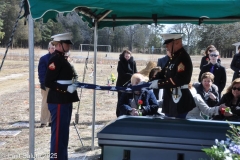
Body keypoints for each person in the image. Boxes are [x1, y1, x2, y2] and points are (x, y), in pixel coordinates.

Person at [45, 33, 79, 160]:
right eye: (67, 43)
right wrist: (66, 88)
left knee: (63, 134)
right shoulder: (55, 59)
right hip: (58, 100)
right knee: (59, 134)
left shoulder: (62, 59)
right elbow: (48, 82)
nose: (69, 45)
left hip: (65, 100)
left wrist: (73, 84)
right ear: (59, 45)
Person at [148, 33, 195, 118]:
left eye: (168, 44)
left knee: (176, 128)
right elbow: (164, 73)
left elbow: (178, 80)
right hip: (171, 99)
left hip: (179, 100)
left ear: (176, 43)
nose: (166, 47)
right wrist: (151, 81)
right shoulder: (174, 57)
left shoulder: (183, 58)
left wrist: (159, 84)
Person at [38, 41, 55, 128]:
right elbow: (41, 72)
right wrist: (42, 82)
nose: (54, 49)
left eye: (55, 48)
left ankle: (51, 121)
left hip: (55, 85)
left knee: (54, 103)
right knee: (45, 103)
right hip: (46, 84)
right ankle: (43, 121)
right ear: (48, 49)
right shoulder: (44, 59)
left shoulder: (58, 58)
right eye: (52, 48)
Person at [116, 50, 137, 117]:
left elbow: (135, 72)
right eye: (126, 56)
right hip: (121, 84)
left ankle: (129, 113)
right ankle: (119, 114)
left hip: (131, 85)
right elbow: (121, 73)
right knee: (121, 100)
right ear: (123, 56)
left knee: (129, 100)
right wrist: (131, 75)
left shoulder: (133, 62)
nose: (127, 57)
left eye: (128, 56)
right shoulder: (120, 63)